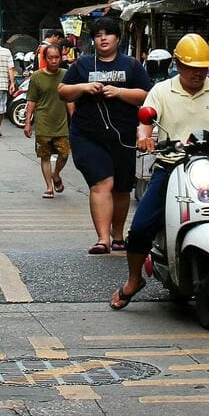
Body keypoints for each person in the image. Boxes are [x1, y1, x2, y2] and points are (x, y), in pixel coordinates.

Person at [111, 33, 209, 310]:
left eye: (202, 68)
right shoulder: (161, 91)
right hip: (172, 166)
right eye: (192, 68)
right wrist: (146, 136)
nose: (198, 74)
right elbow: (146, 121)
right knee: (141, 226)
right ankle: (134, 280)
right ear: (178, 65)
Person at [59, 17, 152, 255]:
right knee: (102, 183)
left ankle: (118, 235)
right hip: (87, 135)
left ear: (117, 39)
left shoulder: (131, 65)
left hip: (123, 136)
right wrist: (83, 88)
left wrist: (119, 92)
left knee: (121, 187)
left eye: (108, 34)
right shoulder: (82, 65)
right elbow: (63, 91)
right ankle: (103, 239)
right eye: (98, 34)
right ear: (93, 40)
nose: (103, 38)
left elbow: (146, 96)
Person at [24, 42, 73, 197]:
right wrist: (27, 123)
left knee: (64, 154)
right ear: (45, 58)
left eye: (56, 57)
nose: (53, 61)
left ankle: (56, 174)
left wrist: (75, 118)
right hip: (43, 123)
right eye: (50, 57)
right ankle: (49, 187)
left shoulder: (66, 75)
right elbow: (31, 101)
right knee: (44, 156)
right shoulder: (37, 77)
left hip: (61, 123)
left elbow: (70, 99)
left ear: (61, 58)